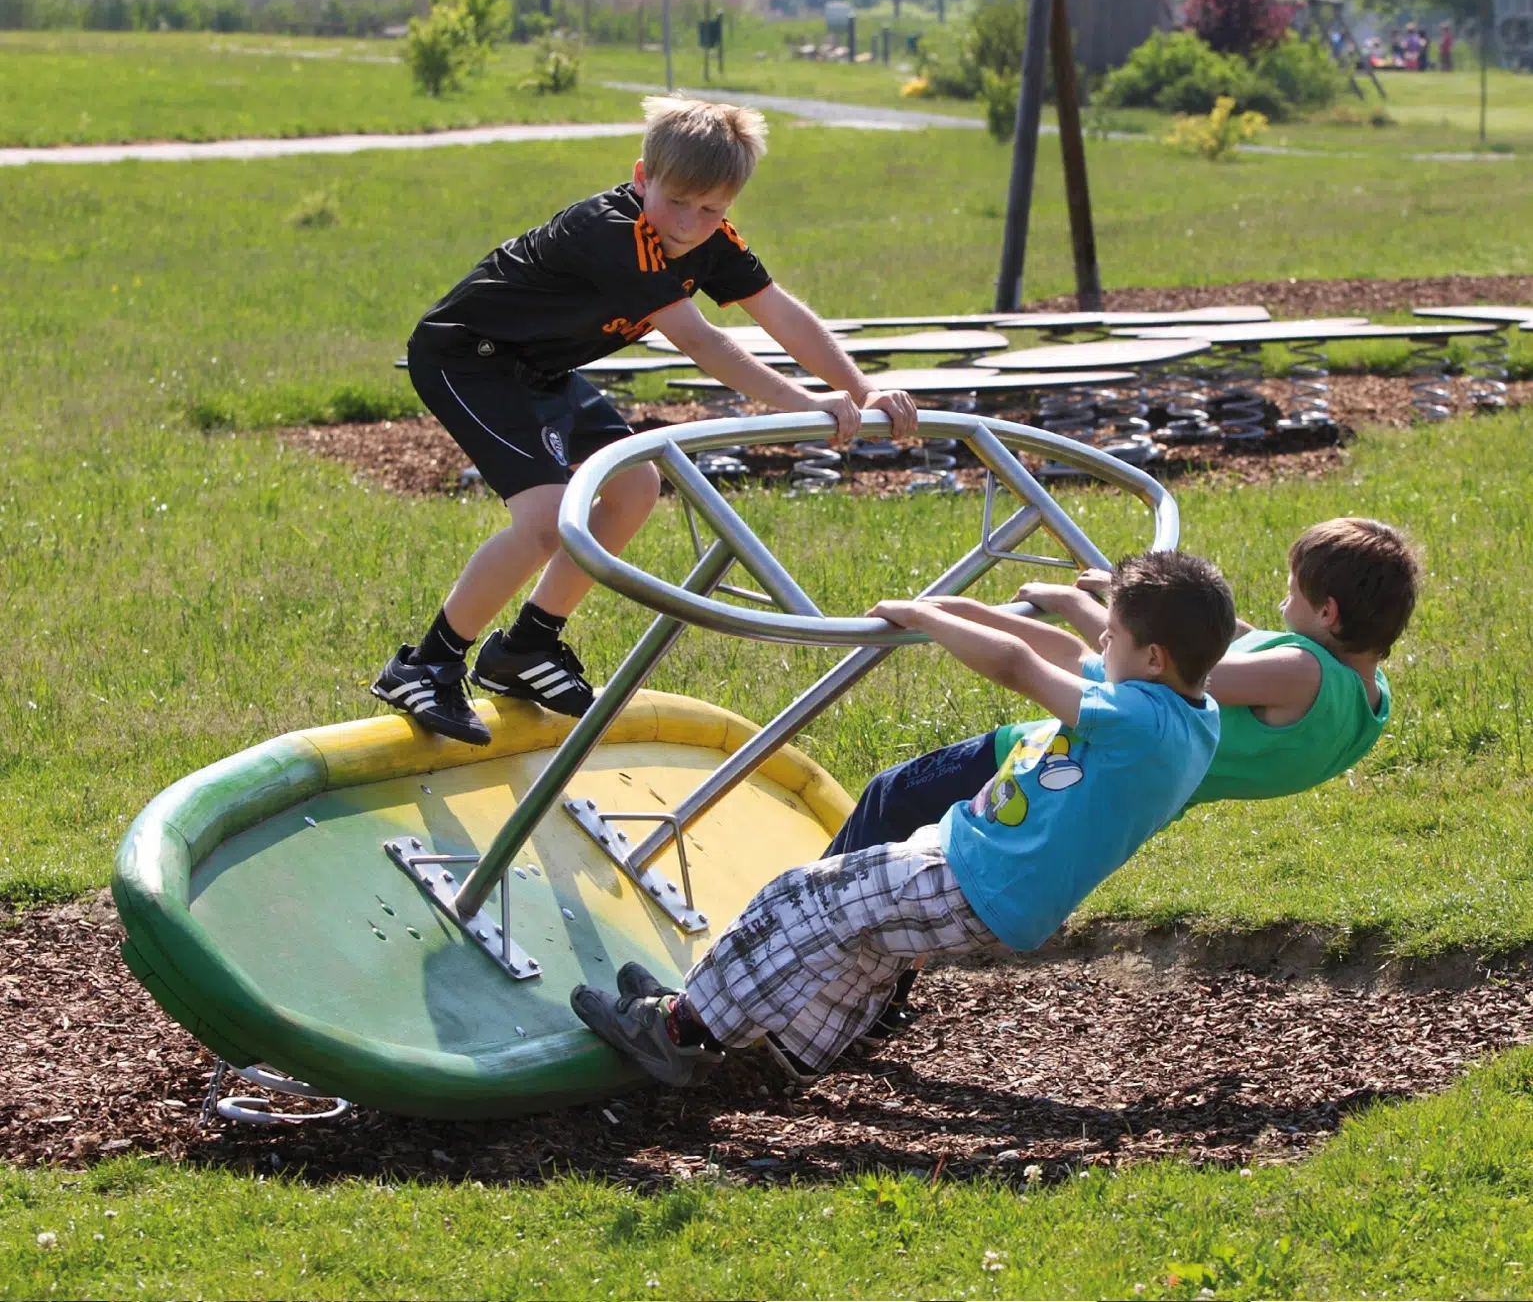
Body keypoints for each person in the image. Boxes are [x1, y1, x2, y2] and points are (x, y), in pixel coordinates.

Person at [569, 551, 1235, 1085]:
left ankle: (677, 1030)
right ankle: (798, 1048)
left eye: (1111, 634)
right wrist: (965, 610)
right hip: (983, 872)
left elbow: (1019, 665)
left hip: (973, 877)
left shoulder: (1137, 717)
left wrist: (925, 617)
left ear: (1152, 658)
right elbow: (1067, 655)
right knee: (863, 943)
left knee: (800, 896)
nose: (1099, 641)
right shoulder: (1187, 713)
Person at [373, 97, 918, 744]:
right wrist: (805, 405)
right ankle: (427, 663)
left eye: (712, 208)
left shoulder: (711, 239)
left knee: (634, 486)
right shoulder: (612, 232)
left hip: (538, 370)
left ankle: (526, 646)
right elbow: (702, 341)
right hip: (469, 359)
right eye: (678, 201)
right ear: (641, 178)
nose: (690, 224)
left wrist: (862, 387)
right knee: (547, 519)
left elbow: (778, 312)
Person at [821, 517, 1418, 1033]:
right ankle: (870, 998)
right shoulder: (1368, 697)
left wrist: (1088, 607)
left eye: (1292, 593)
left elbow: (1188, 662)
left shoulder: (1300, 673)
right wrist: (1129, 597)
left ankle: (809, 942)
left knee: (892, 798)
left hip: (1073, 755)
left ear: (1328, 613)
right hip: (1125, 771)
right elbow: (1233, 640)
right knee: (919, 857)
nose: (1282, 605)